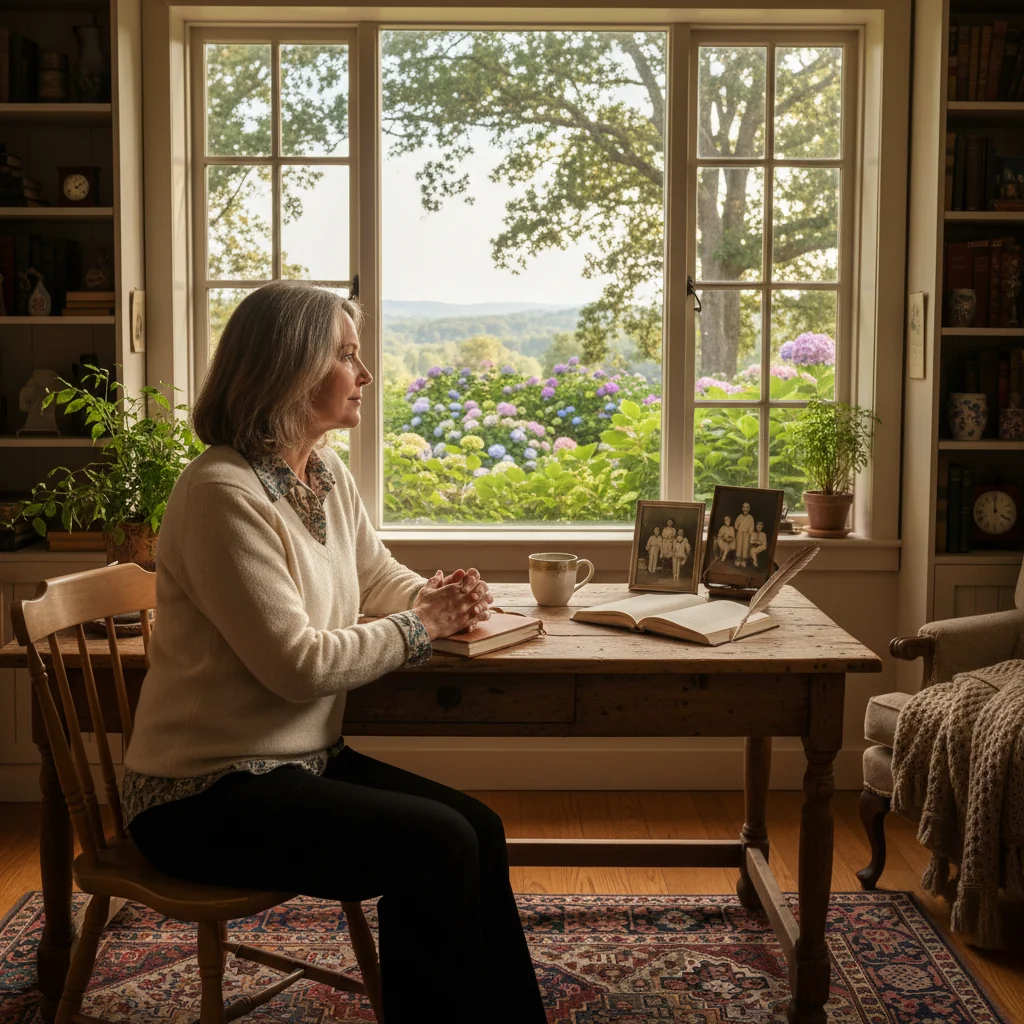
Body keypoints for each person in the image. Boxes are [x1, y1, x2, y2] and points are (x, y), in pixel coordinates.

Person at [121, 282, 546, 1024]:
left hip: (297, 764)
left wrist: (438, 594)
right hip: (200, 795)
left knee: (477, 826)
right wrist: (422, 625)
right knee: (439, 846)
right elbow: (298, 666)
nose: (366, 374)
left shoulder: (323, 473)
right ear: (289, 369)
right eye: (347, 356)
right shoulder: (221, 492)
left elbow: (374, 576)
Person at [733, 501, 755, 568]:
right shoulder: (740, 516)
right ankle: (738, 559)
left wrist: (750, 533)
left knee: (745, 546)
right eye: (744, 507)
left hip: (747, 534)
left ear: (749, 509)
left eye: (747, 507)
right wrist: (738, 528)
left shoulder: (750, 517)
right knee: (739, 546)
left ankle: (744, 560)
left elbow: (752, 527)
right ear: (742, 508)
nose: (745, 509)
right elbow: (736, 524)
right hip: (740, 533)